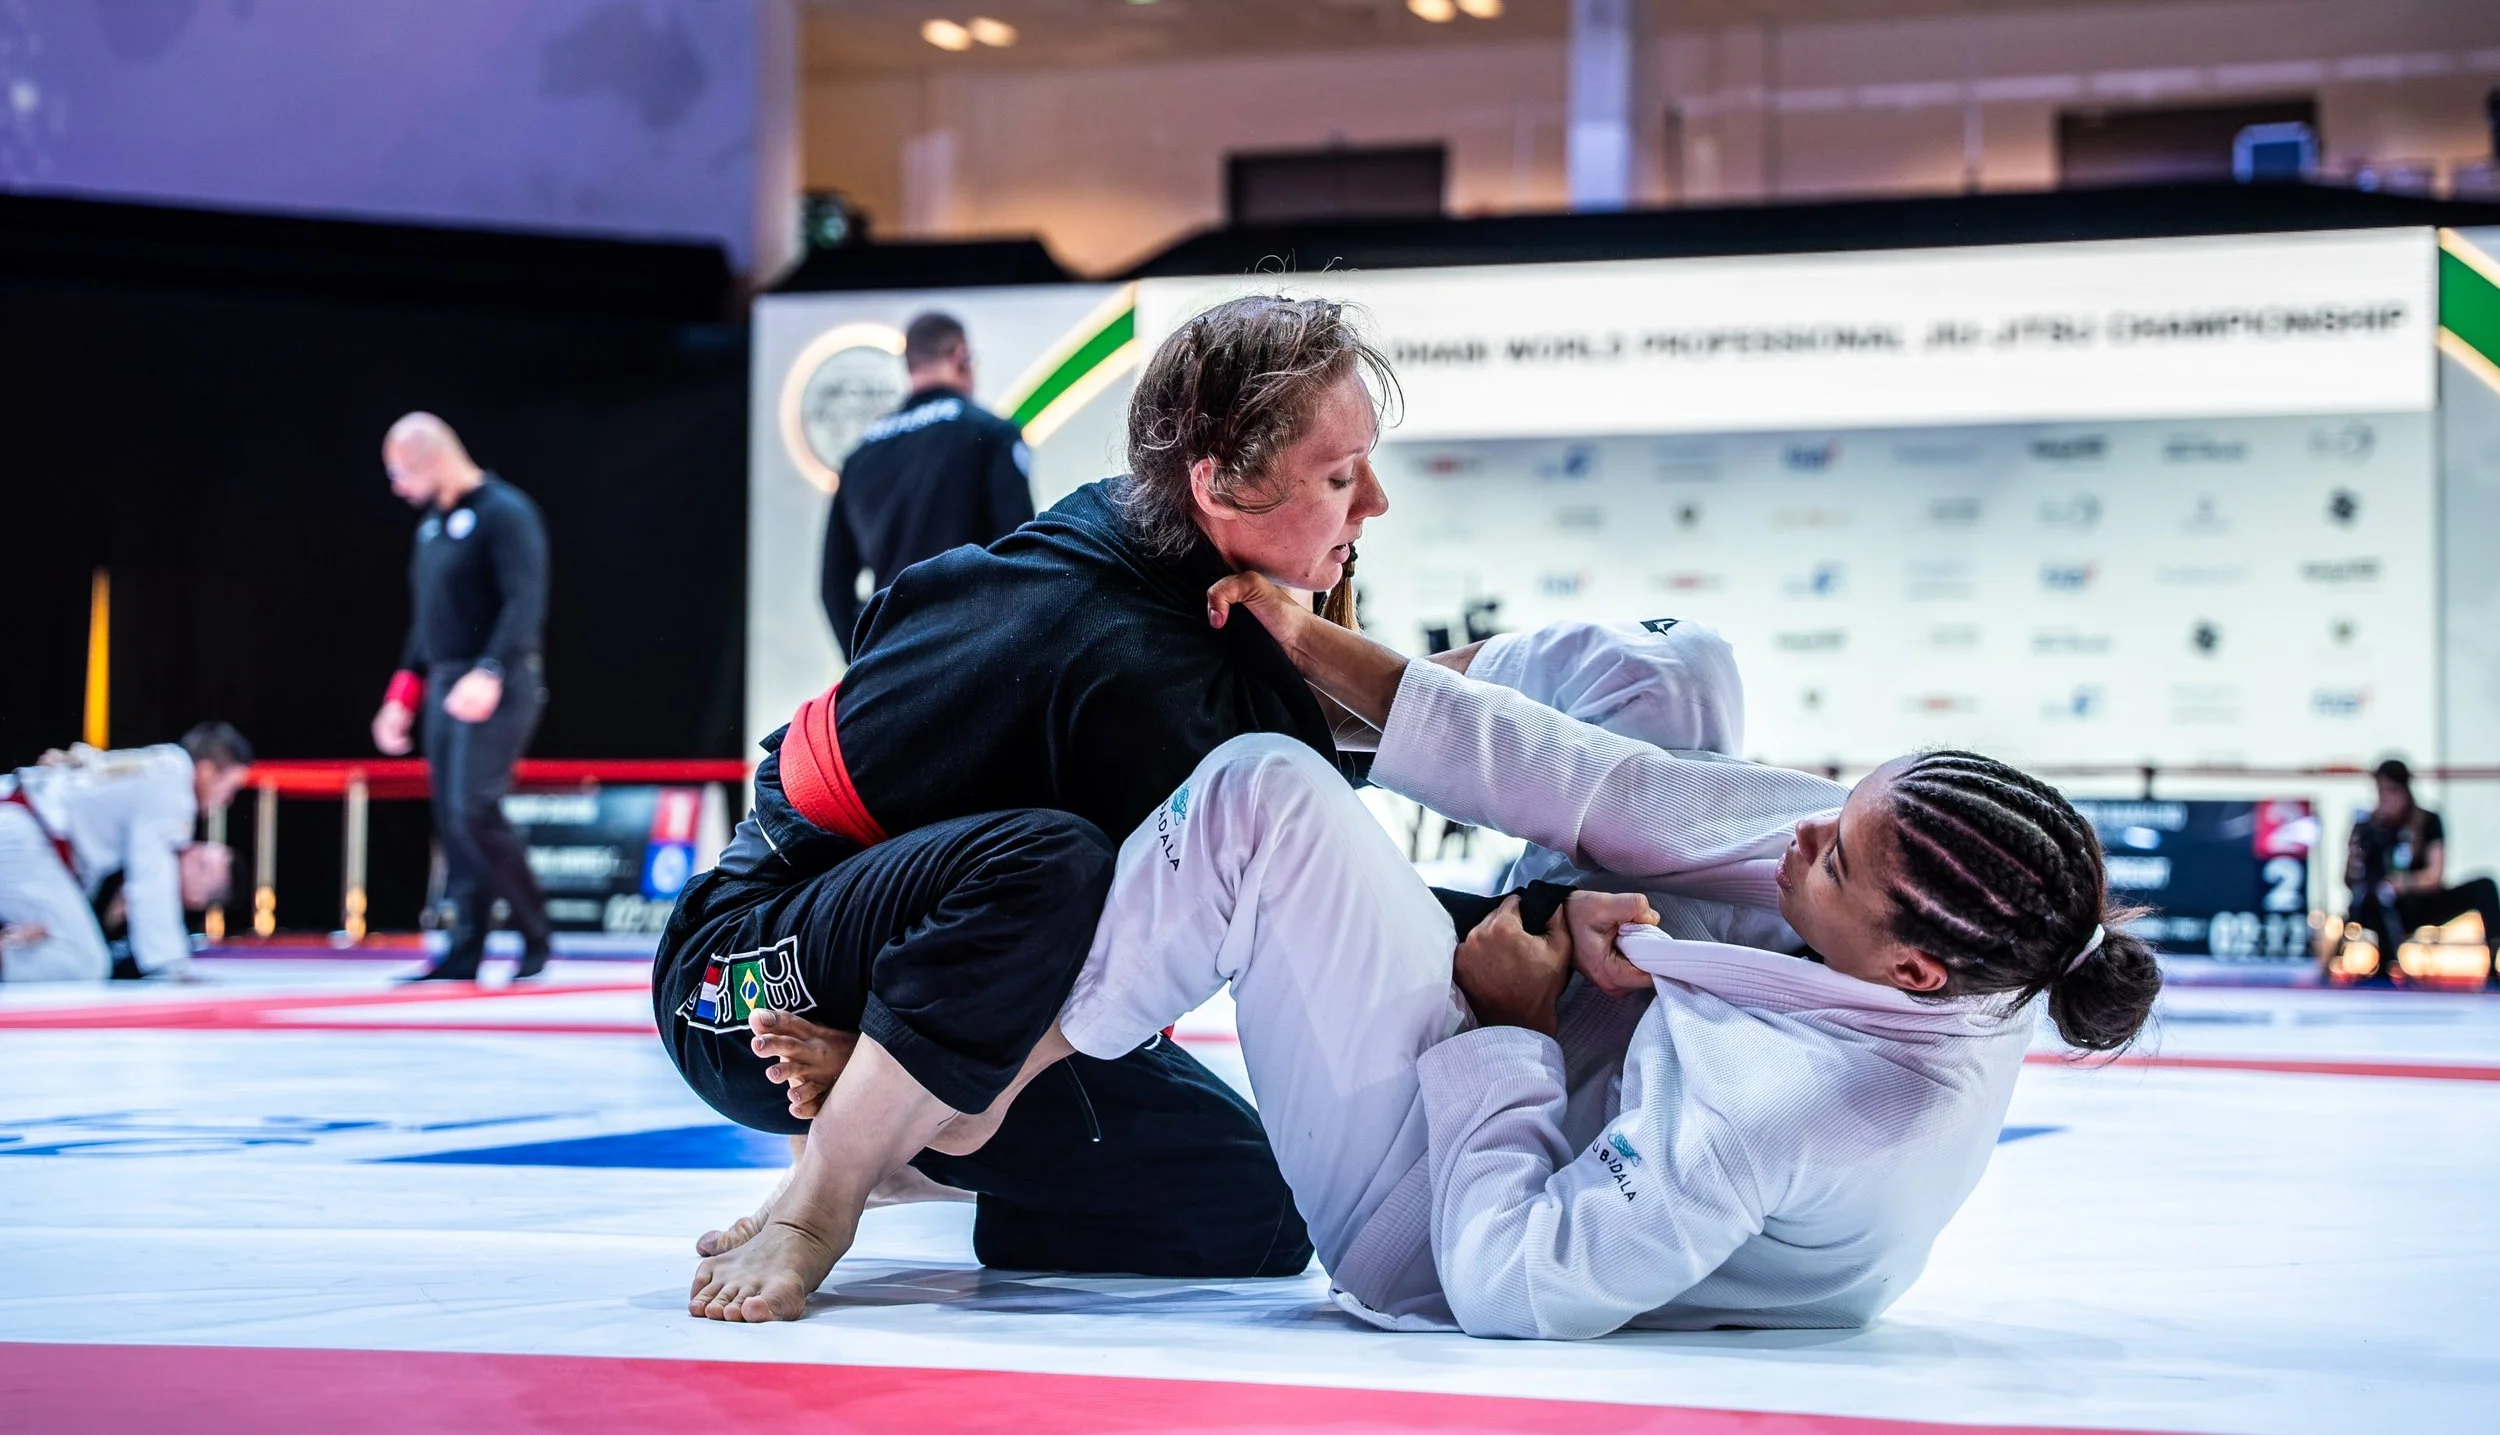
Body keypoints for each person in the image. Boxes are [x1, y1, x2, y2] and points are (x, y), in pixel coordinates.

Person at [691, 582, 2162, 1334]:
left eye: (1833, 857)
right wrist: (1319, 647)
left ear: (1914, 973)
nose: (1797, 841)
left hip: (1458, 1222)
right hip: (1618, 1048)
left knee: (1264, 798)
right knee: (1668, 665)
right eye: (1834, 810)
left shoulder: (1795, 1104)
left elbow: (1520, 1278)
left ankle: (964, 1093)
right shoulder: (1915, 914)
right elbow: (1613, 790)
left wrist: (1510, 1027)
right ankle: (1334, 725)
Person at [665, 295, 1400, 1310]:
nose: (1374, 505)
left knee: (1256, 1210)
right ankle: (820, 1191)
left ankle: (902, 1132)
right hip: (736, 983)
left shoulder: (1146, 535)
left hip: (931, 970)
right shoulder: (1129, 661)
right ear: (1219, 479)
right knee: (1045, 860)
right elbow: (1337, 898)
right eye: (1338, 476)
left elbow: (1352, 722)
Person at [369, 413, 553, 982]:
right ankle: (465, 947)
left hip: (498, 678)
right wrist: (403, 692)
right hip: (446, 681)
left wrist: (492, 669)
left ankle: (534, 932)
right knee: (452, 819)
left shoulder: (505, 513)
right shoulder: (431, 527)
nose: (396, 486)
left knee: (475, 808)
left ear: (430, 459)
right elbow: (428, 622)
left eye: (400, 472)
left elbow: (525, 601)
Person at [820, 312, 1036, 654]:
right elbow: (1021, 553)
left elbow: (833, 585)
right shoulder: (991, 434)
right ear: (960, 356)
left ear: (910, 367)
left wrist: (864, 664)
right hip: (971, 654)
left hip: (893, 659)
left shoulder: (859, 456)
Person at [0, 723, 253, 983]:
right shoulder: (173, 790)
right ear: (208, 771)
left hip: (19, 820)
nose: (227, 800)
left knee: (67, 947)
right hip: (23, 836)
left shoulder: (160, 764)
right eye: (230, 787)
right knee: (83, 961)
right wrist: (169, 966)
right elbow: (152, 878)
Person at [2345, 758, 2499, 989]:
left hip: (2420, 901)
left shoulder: (2426, 821)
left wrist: (2404, 883)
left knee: (2484, 887)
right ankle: (2385, 964)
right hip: (2378, 906)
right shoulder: (2367, 827)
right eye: (2381, 791)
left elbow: (2434, 876)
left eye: (2392, 791)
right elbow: (2350, 879)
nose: (2386, 798)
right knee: (2375, 897)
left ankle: (2494, 963)